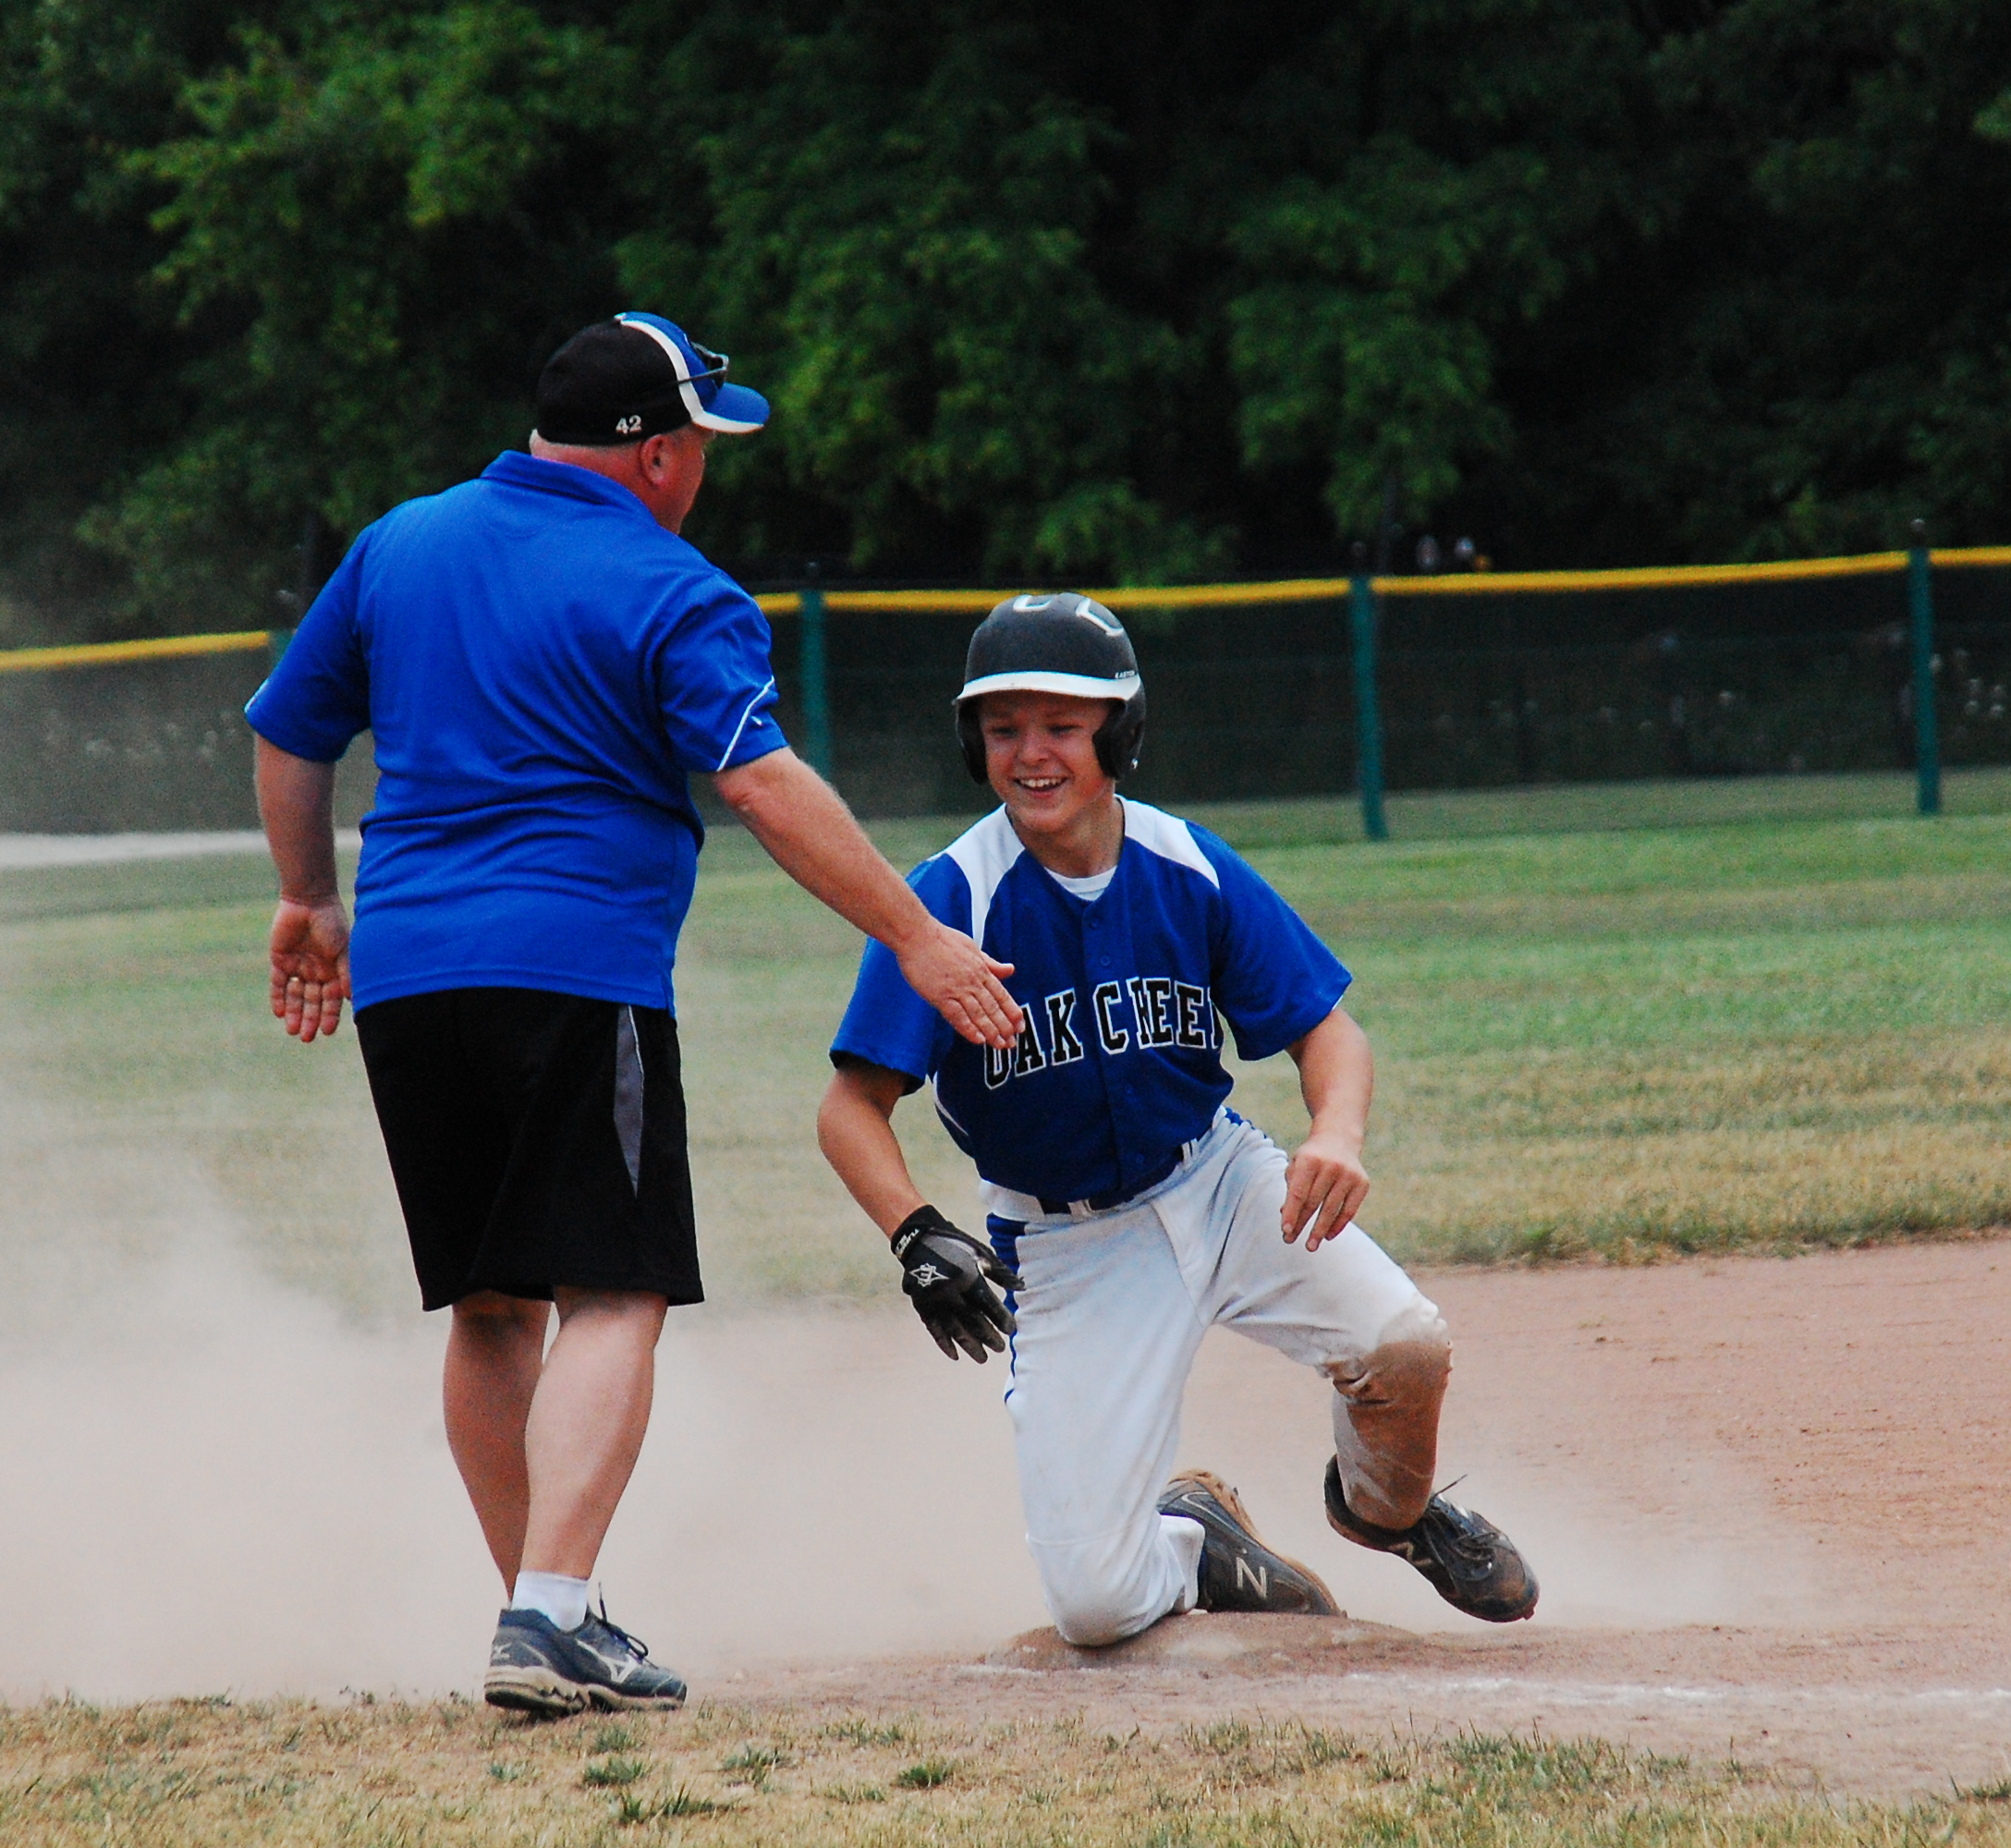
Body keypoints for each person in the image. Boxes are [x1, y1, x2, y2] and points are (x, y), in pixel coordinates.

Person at [243, 311, 1024, 1716]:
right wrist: (916, 936)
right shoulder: (675, 587)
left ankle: (544, 1610)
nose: (705, 472)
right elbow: (761, 783)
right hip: (574, 970)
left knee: (492, 1305)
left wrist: (309, 897)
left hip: (408, 978)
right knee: (613, 1288)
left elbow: (290, 730)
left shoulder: (400, 543)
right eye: (703, 444)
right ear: (656, 455)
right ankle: (549, 1613)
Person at [816, 593, 1538, 1647]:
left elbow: (1327, 1033)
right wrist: (914, 1230)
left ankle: (1388, 1512)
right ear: (973, 745)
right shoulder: (950, 897)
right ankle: (1198, 1543)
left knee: (1405, 1344)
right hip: (1067, 1246)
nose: (1031, 754)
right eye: (1003, 729)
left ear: (1120, 735)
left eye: (1062, 727)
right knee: (1095, 1604)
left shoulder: (1185, 864)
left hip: (1222, 1181)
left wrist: (1334, 1133)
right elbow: (850, 1108)